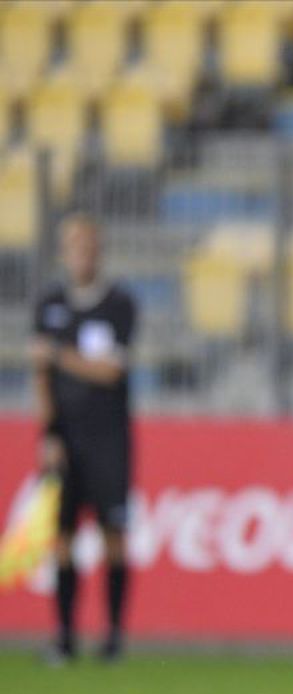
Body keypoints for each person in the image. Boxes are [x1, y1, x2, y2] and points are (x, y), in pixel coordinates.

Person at [31, 213, 138, 664]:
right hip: (65, 437)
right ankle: (65, 635)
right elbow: (40, 374)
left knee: (113, 533)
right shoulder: (49, 303)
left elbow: (111, 370)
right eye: (74, 246)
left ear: (99, 250)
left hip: (110, 437)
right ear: (64, 252)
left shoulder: (118, 304)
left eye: (89, 245)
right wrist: (48, 432)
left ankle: (112, 635)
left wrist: (58, 355)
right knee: (62, 537)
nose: (82, 253)